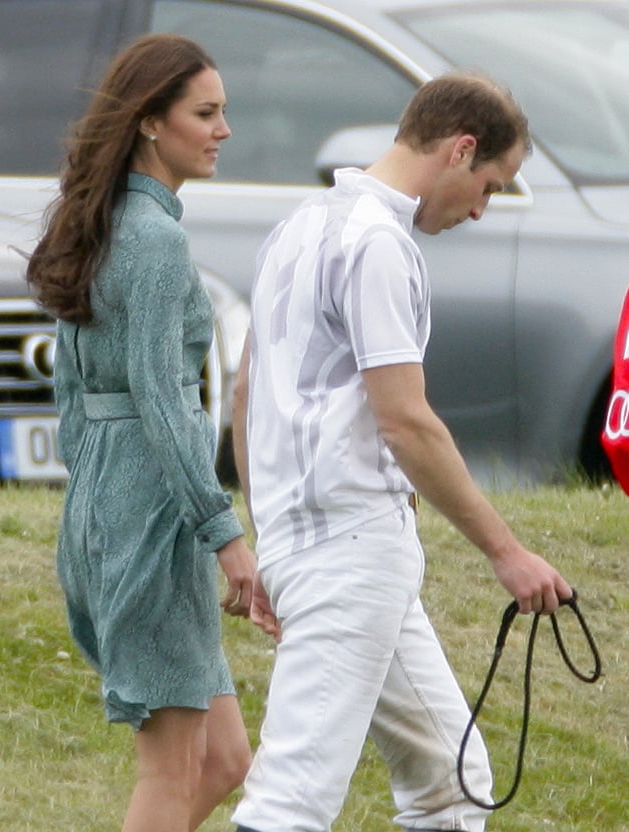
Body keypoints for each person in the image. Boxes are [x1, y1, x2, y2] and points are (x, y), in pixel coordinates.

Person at [231, 73, 573, 832]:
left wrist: (268, 543)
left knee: (453, 782)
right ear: (461, 150)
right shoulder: (380, 243)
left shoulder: (297, 227)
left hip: (305, 542)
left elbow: (247, 395)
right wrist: (505, 551)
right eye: (491, 185)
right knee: (289, 802)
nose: (482, 209)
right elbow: (406, 422)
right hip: (351, 550)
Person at [26, 34, 260, 832]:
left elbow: (72, 391)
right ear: (152, 123)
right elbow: (165, 401)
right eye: (207, 112)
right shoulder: (154, 240)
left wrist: (95, 506)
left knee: (227, 761)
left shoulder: (99, 220)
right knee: (169, 772)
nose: (223, 129)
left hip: (111, 513)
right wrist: (226, 535)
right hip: (154, 527)